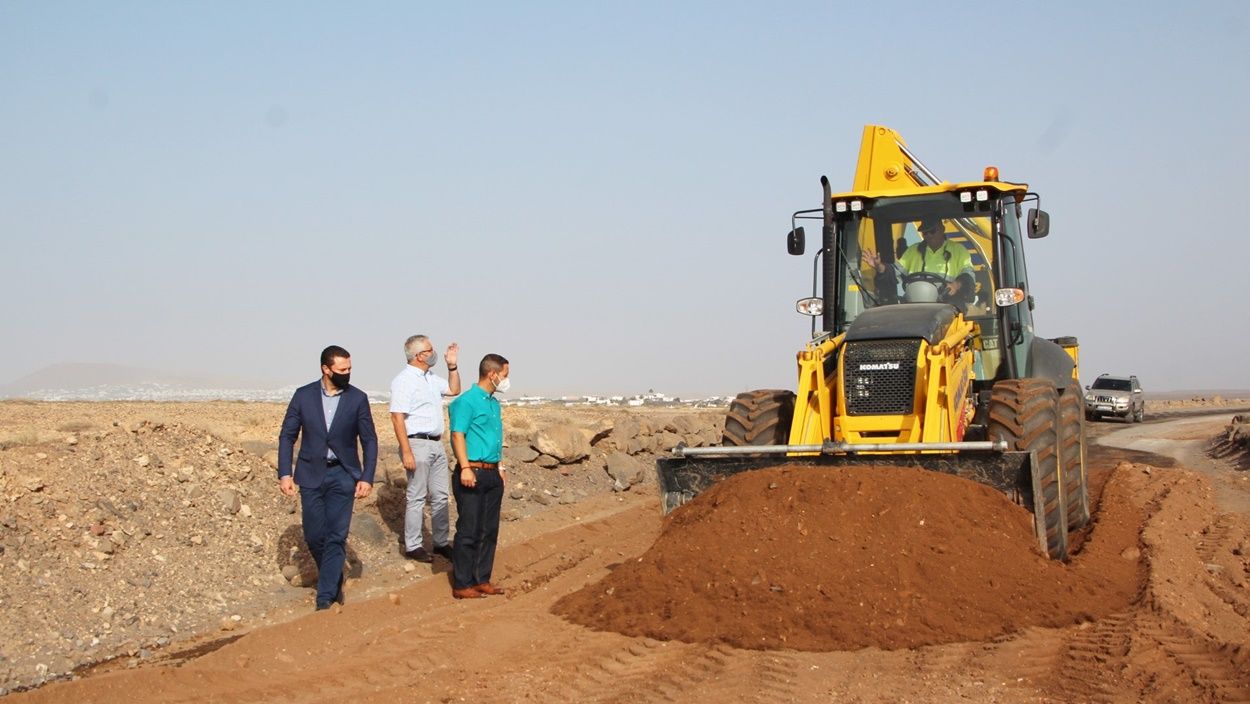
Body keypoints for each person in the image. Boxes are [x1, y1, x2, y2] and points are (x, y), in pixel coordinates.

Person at [277, 345, 378, 611]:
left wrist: (367, 477)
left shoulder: (357, 398)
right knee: (313, 535)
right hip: (310, 474)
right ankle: (334, 579)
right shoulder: (303, 396)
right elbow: (288, 435)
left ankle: (324, 599)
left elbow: (369, 440)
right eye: (342, 370)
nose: (347, 373)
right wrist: (285, 473)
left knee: (336, 535)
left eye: (350, 369)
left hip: (344, 475)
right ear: (326, 369)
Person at [389, 335, 461, 563]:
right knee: (417, 496)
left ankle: (440, 542)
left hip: (436, 442)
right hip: (417, 443)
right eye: (430, 349)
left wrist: (452, 365)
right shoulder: (404, 380)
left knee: (440, 495)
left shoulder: (430, 378)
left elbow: (454, 389)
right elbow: (397, 417)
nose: (434, 352)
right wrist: (406, 450)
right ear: (420, 355)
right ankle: (413, 545)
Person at [447, 353, 510, 600]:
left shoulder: (494, 404)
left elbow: (494, 440)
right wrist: (465, 467)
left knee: (489, 529)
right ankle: (462, 583)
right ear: (492, 374)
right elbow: (457, 435)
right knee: (469, 529)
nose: (506, 380)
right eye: (505, 375)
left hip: (492, 473)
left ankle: (482, 578)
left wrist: (501, 467)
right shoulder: (467, 402)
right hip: (471, 471)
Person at [862, 218, 974, 306]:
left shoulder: (959, 250)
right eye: (925, 233)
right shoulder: (913, 251)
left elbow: (968, 276)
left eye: (932, 231)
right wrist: (879, 267)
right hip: (915, 308)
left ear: (942, 229)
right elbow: (895, 273)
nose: (928, 235)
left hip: (948, 306)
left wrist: (956, 285)